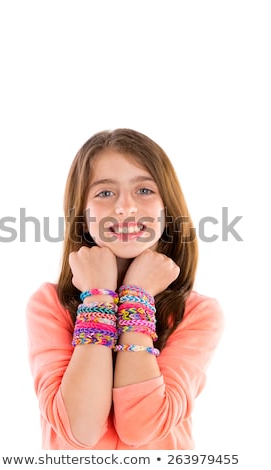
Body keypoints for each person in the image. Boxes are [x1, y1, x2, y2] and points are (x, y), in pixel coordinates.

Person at [26, 128, 224, 450]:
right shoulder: (50, 305)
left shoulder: (198, 314)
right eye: (105, 193)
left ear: (167, 209)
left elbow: (140, 427)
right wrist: (99, 299)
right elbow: (82, 429)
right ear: (82, 215)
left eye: (144, 190)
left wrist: (137, 299)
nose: (125, 208)